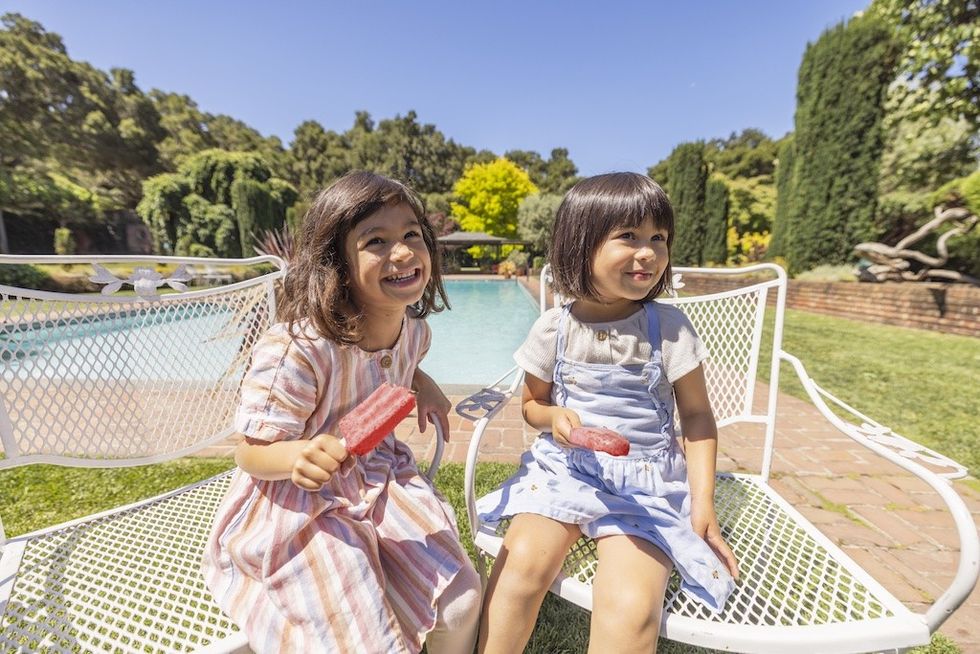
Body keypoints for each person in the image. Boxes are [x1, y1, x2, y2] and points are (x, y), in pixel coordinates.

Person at [203, 171, 481, 654]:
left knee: (460, 602)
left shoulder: (414, 332)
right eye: (377, 240)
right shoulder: (298, 350)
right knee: (358, 633)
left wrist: (424, 381)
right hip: (298, 499)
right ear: (337, 264)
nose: (402, 252)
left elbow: (399, 362)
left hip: (380, 475)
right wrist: (298, 457)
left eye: (412, 234)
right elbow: (249, 454)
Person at [477, 172, 739, 653]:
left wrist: (703, 505)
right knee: (519, 574)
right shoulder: (554, 328)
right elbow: (532, 405)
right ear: (581, 245)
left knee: (632, 607)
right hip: (567, 469)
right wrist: (553, 419)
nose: (649, 252)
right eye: (629, 237)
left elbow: (698, 418)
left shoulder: (669, 329)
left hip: (646, 482)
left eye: (658, 237)